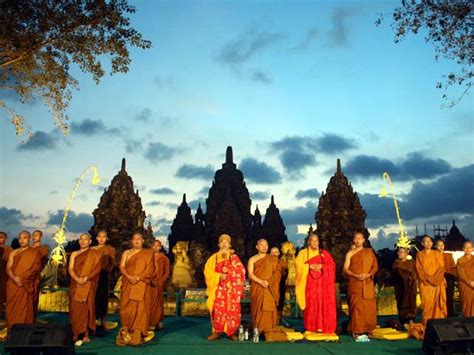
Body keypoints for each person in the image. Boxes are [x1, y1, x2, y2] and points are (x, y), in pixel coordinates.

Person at [204, 234, 245, 341]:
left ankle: (231, 332)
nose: (224, 244)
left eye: (226, 242)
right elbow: (207, 273)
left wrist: (230, 271)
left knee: (232, 311)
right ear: (218, 244)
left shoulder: (234, 258)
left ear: (230, 245)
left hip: (232, 290)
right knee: (216, 310)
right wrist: (219, 275)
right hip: (218, 289)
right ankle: (215, 332)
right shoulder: (214, 258)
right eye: (222, 242)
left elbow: (241, 272)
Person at [116, 232, 155, 346]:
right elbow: (122, 267)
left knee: (142, 309)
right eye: (134, 239)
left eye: (139, 239)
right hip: (128, 283)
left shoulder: (148, 253)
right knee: (125, 308)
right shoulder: (127, 253)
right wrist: (129, 277)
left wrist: (139, 277)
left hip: (141, 284)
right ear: (131, 241)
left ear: (143, 241)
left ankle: (138, 332)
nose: (137, 241)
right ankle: (126, 331)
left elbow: (151, 270)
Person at [296, 233, 337, 334]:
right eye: (312, 241)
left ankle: (323, 327)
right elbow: (298, 266)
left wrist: (322, 266)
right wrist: (308, 267)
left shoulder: (324, 254)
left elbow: (332, 266)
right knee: (311, 305)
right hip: (309, 285)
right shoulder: (302, 254)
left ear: (318, 242)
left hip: (323, 286)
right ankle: (310, 327)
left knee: (323, 305)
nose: (314, 243)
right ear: (308, 242)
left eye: (316, 241)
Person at [343, 232, 379, 340]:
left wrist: (368, 274)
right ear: (353, 240)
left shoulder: (369, 252)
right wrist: (355, 275)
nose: (358, 240)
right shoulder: (350, 253)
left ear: (364, 240)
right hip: (355, 283)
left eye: (360, 238)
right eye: (356, 238)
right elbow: (345, 269)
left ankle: (368, 330)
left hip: (367, 282)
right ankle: (357, 331)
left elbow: (375, 266)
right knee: (356, 308)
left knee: (369, 308)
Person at [68, 233, 102, 344]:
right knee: (75, 308)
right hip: (76, 284)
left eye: (85, 239)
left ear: (90, 241)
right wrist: (77, 278)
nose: (83, 241)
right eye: (81, 239)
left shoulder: (95, 254)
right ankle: (76, 332)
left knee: (87, 308)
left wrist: (86, 278)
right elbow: (71, 269)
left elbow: (97, 269)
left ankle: (86, 333)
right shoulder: (74, 254)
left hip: (88, 283)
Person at [5, 231, 42, 332]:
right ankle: (11, 332)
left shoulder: (34, 253)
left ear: (29, 239)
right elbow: (8, 268)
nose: (22, 240)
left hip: (26, 285)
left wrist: (22, 279)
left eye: (25, 238)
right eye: (20, 238)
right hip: (13, 284)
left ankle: (24, 334)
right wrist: (15, 278)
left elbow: (36, 269)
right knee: (11, 309)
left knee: (25, 310)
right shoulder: (13, 252)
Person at [248, 239, 281, 334]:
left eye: (266, 245)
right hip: (258, 286)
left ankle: (269, 329)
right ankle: (258, 329)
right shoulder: (253, 259)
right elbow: (250, 274)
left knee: (269, 307)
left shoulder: (273, 259)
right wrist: (261, 282)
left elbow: (278, 272)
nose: (264, 247)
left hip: (269, 287)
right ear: (257, 247)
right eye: (261, 245)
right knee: (258, 308)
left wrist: (269, 282)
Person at [415, 236, 447, 325]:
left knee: (438, 304)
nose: (428, 243)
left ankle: (439, 323)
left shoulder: (437, 254)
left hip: (437, 282)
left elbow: (441, 268)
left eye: (430, 241)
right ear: (422, 244)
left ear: (432, 243)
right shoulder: (419, 255)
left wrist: (433, 279)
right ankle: (427, 323)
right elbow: (418, 268)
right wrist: (427, 278)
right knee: (427, 304)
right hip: (425, 283)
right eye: (425, 241)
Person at [92, 230, 116, 330]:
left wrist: (105, 272)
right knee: (92, 298)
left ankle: (102, 321)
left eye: (104, 237)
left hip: (103, 275)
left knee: (102, 298)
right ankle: (91, 320)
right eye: (99, 236)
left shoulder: (110, 249)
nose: (101, 238)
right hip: (92, 276)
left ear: (106, 239)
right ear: (96, 238)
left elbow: (112, 263)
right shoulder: (91, 249)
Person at [392, 247, 417, 325]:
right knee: (401, 301)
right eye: (398, 252)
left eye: (402, 252)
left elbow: (414, 273)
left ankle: (410, 319)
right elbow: (394, 274)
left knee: (410, 302)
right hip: (400, 286)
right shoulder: (396, 262)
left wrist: (411, 279)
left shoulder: (412, 262)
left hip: (410, 286)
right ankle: (402, 320)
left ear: (406, 253)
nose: (399, 253)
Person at [149, 239, 170, 331]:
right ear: (151, 246)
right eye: (154, 245)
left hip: (159, 283)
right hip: (149, 283)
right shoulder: (147, 257)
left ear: (161, 247)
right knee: (149, 303)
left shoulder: (164, 258)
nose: (155, 247)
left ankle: (158, 321)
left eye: (158, 246)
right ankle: (150, 322)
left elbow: (167, 271)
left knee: (158, 303)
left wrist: (161, 281)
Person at [434, 239, 457, 317]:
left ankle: (451, 313)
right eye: (439, 245)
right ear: (435, 246)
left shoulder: (448, 255)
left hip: (449, 278)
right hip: (438, 279)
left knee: (450, 297)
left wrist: (452, 277)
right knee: (439, 298)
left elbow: (453, 267)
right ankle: (441, 313)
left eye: (442, 245)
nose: (441, 247)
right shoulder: (433, 256)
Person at [32, 229, 49, 318]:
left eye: (36, 235)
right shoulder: (28, 249)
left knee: (34, 295)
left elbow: (43, 261)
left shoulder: (43, 248)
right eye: (33, 235)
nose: (34, 237)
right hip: (25, 277)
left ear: (41, 236)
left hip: (35, 275)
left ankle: (33, 316)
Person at [456, 241, 473, 317]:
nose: (468, 249)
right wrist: (469, 282)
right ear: (463, 249)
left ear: (472, 248)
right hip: (465, 285)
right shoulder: (460, 260)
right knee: (466, 304)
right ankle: (467, 321)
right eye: (466, 248)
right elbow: (460, 274)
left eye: (469, 247)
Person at [0, 232, 12, 320]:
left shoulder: (9, 249)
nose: (0, 239)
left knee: (5, 295)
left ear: (5, 238)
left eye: (2, 237)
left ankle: (4, 314)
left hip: (5, 275)